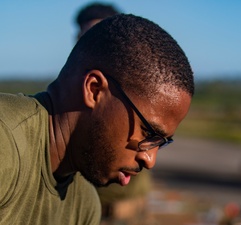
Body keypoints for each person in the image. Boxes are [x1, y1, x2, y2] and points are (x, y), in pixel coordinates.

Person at [0, 13, 194, 225]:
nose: (149, 160)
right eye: (148, 133)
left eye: (161, 143)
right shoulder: (6, 143)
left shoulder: (84, 205)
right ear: (94, 90)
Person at [74, 3, 155, 222]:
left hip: (128, 212)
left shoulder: (140, 89)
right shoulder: (69, 92)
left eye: (100, 36)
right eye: (85, 36)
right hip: (86, 211)